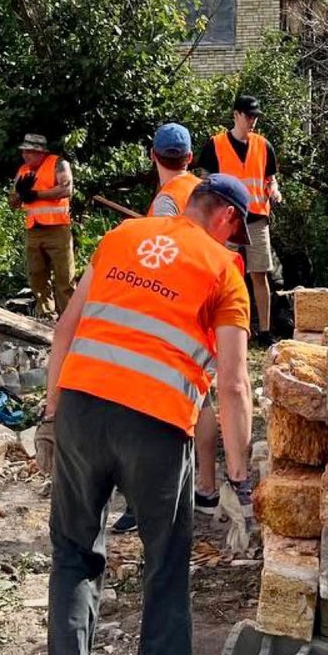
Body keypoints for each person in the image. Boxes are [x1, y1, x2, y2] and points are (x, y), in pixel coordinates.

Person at [31, 175, 255, 655]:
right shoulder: (224, 271)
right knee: (164, 567)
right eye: (241, 229)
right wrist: (239, 475)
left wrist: (51, 414)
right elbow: (233, 385)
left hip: (82, 410)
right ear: (228, 218)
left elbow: (66, 328)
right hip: (155, 427)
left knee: (74, 557)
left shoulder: (124, 236)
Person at [111, 123, 213, 537]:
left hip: (174, 307)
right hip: (207, 300)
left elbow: (163, 259)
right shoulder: (206, 191)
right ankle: (206, 487)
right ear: (189, 158)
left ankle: (145, 499)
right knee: (201, 393)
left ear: (153, 155)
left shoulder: (167, 200)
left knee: (152, 403)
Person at [196, 95, 282, 343]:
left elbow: (270, 179)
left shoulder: (264, 145)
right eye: (248, 115)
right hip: (226, 220)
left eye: (255, 116)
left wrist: (274, 190)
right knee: (223, 274)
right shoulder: (215, 145)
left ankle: (264, 332)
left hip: (256, 218)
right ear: (236, 115)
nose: (252, 120)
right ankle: (219, 328)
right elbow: (205, 181)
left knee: (260, 274)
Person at [9, 133, 75, 318]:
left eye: (28, 152)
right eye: (24, 152)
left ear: (40, 153)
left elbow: (66, 189)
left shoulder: (58, 164)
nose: (24, 155)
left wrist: (36, 195)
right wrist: (18, 196)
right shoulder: (23, 170)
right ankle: (45, 314)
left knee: (64, 276)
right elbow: (13, 203)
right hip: (33, 229)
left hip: (57, 229)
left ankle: (69, 317)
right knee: (36, 275)